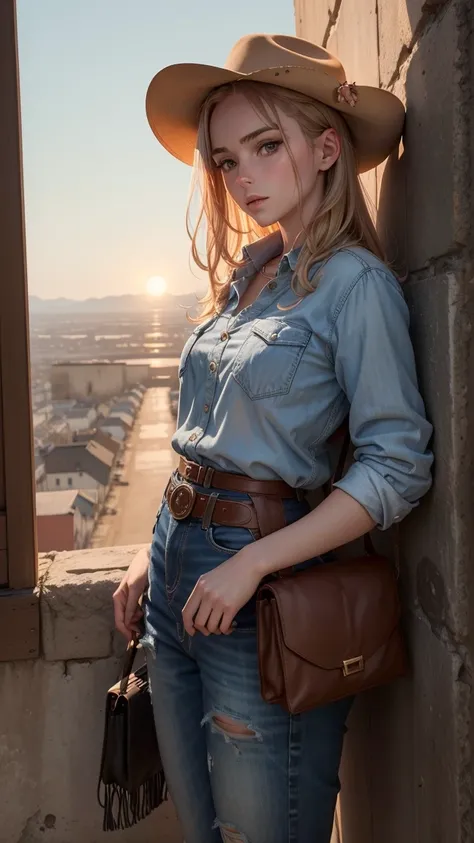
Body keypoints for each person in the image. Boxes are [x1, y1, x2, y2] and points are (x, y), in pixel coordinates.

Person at [113, 33, 433, 843]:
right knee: (203, 830)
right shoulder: (246, 277)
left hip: (259, 591)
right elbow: (211, 434)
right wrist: (156, 544)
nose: (243, 176)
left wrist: (251, 561)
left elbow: (396, 465)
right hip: (176, 576)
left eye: (265, 146)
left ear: (327, 148)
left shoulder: (355, 286)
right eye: (225, 160)